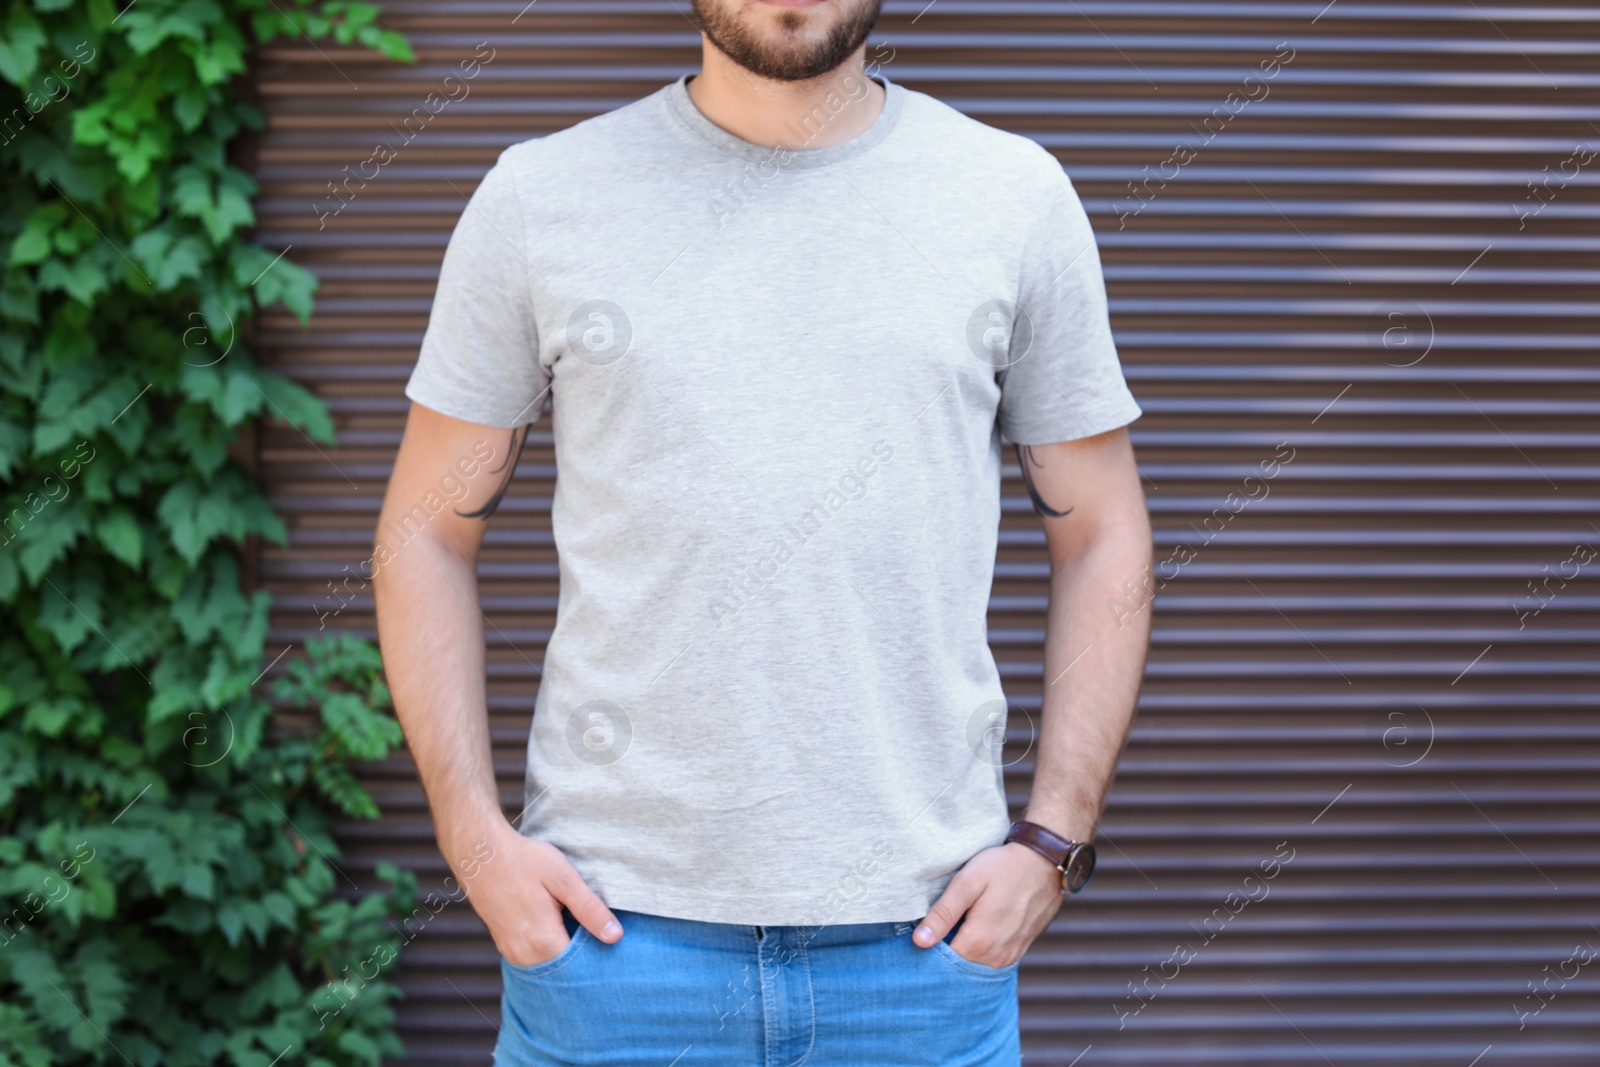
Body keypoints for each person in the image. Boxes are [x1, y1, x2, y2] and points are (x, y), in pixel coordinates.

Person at [372, 1, 1153, 1063]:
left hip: (920, 957)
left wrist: (1051, 842)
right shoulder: (540, 198)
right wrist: (474, 844)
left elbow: (1102, 528)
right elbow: (422, 530)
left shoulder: (1011, 197)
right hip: (612, 950)